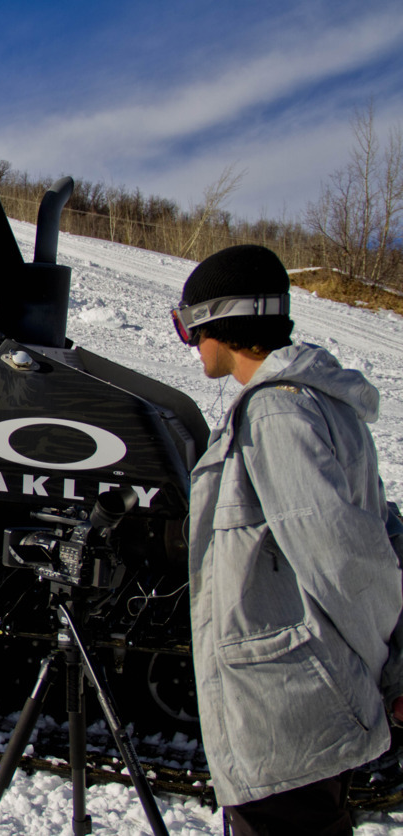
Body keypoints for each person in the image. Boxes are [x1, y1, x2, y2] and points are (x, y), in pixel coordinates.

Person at [172, 244, 402, 834]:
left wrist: (381, 669)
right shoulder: (322, 403)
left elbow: (341, 556)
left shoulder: (276, 415)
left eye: (188, 326)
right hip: (310, 697)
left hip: (290, 707)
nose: (191, 344)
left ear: (219, 324)